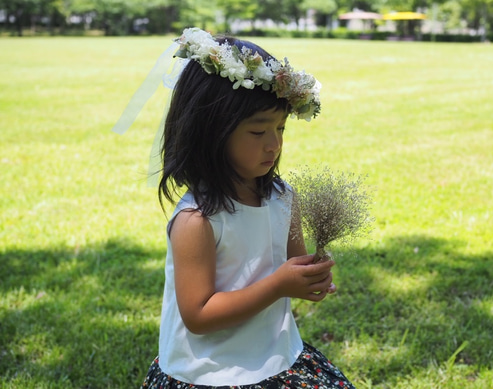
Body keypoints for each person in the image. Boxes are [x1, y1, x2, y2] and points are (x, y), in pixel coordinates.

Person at [134, 28, 355, 388]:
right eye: (258, 132)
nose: (274, 144)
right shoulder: (197, 221)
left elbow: (291, 271)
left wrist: (311, 279)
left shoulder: (284, 198)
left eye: (281, 128)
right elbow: (198, 315)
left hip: (275, 355)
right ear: (212, 131)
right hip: (211, 372)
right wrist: (279, 285)